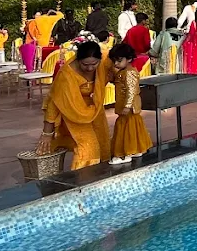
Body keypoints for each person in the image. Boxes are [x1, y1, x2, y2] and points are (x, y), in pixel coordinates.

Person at [35, 40, 111, 169]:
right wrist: (47, 133)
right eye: (85, 64)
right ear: (78, 59)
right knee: (88, 147)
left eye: (94, 64)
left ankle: (102, 175)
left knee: (102, 141)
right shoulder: (66, 75)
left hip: (94, 108)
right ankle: (83, 178)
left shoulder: (103, 64)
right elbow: (54, 103)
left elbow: (118, 69)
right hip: (73, 111)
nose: (90, 68)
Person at [108, 43, 152, 163]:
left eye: (119, 60)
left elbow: (131, 90)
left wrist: (127, 106)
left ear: (129, 59)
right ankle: (135, 150)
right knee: (132, 128)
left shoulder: (129, 72)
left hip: (128, 107)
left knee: (126, 129)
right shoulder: (123, 71)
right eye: (114, 61)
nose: (116, 63)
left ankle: (125, 153)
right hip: (126, 105)